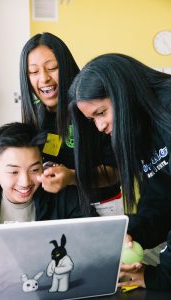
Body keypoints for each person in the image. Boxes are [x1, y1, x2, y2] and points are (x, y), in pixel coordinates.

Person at [68, 53, 171, 289]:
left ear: (122, 93)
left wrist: (163, 276)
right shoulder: (141, 128)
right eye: (92, 119)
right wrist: (130, 234)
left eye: (101, 112)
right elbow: (160, 199)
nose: (100, 126)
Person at [20, 32, 120, 214]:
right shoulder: (34, 112)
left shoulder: (90, 105)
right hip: (59, 208)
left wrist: (72, 177)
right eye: (33, 72)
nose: (43, 78)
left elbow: (116, 172)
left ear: (66, 67)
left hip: (104, 205)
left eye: (52, 67)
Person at [0, 122, 84, 276]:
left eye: (34, 170)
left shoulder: (60, 195)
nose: (25, 182)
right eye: (13, 172)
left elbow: (92, 236)